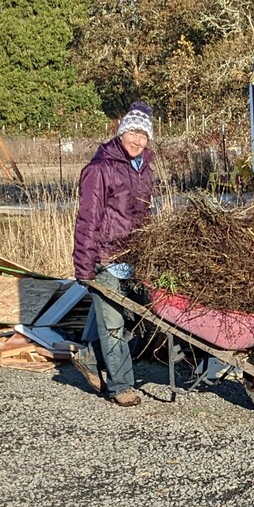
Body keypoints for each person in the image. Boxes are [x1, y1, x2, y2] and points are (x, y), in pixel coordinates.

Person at [72, 101, 156, 406]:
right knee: (113, 325)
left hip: (133, 259)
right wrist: (83, 266)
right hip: (104, 259)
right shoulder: (99, 169)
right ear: (121, 132)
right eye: (133, 132)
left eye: (143, 135)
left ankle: (86, 356)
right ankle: (121, 386)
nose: (137, 140)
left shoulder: (144, 168)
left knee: (133, 318)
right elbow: (88, 219)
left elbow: (146, 215)